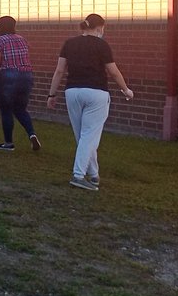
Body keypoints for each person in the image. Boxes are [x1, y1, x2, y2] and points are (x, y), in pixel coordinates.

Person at [46, 13, 134, 191]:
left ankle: (93, 175)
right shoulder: (102, 45)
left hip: (72, 92)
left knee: (83, 136)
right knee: (89, 136)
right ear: (100, 27)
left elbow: (59, 71)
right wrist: (126, 90)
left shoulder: (69, 43)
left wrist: (51, 94)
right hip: (96, 93)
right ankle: (78, 176)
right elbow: (114, 72)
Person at [0, 15, 40, 151]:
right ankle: (32, 134)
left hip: (8, 76)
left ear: (2, 27)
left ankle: (8, 143)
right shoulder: (22, 40)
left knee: (6, 110)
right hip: (26, 76)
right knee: (21, 109)